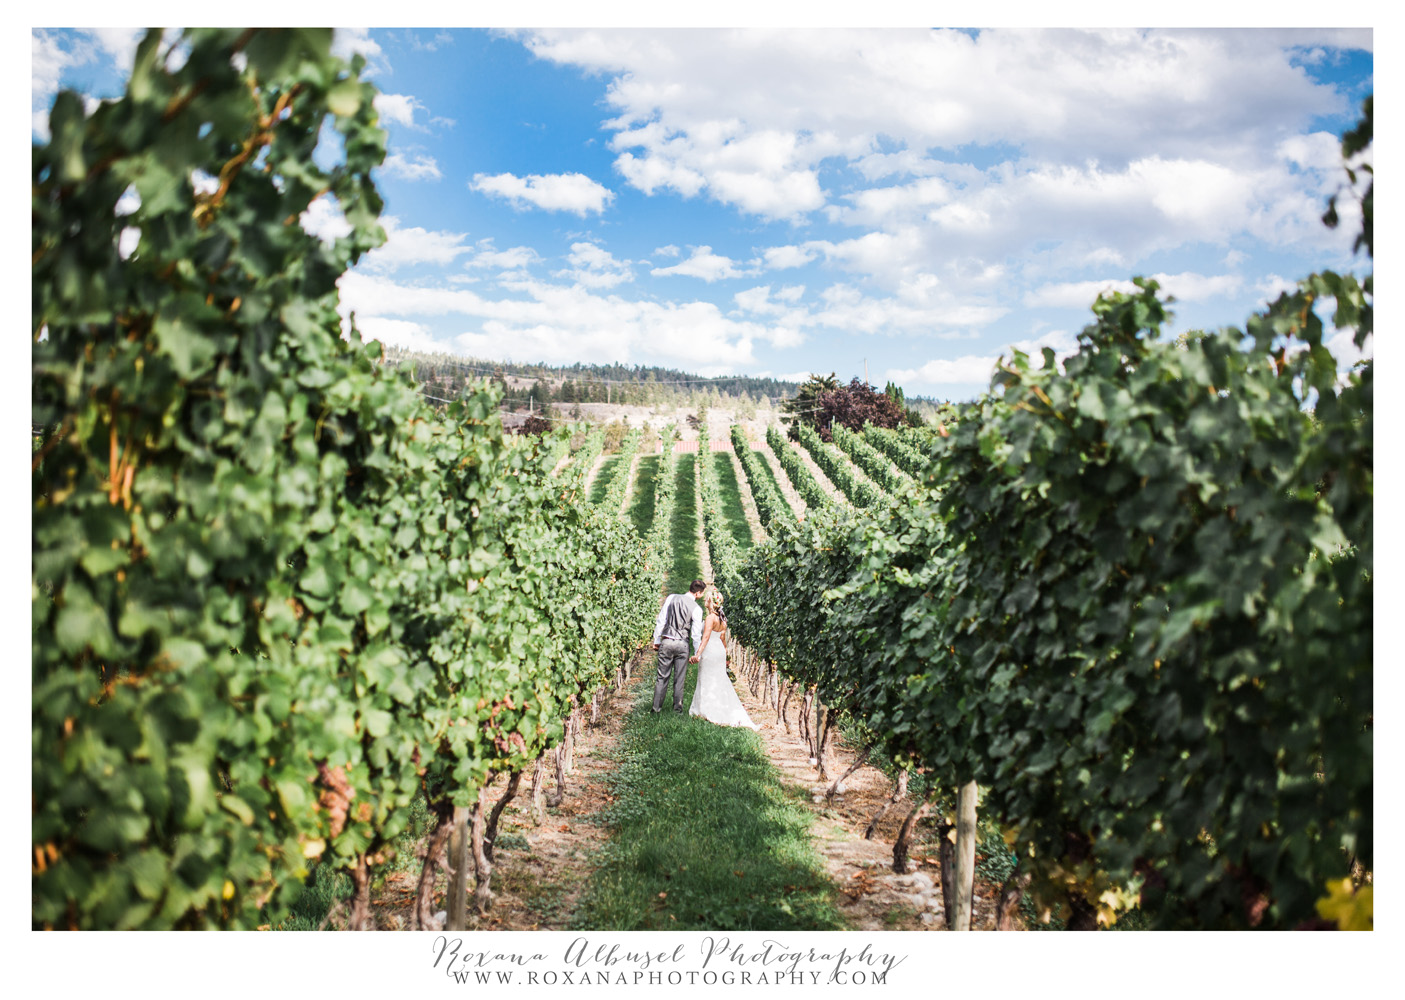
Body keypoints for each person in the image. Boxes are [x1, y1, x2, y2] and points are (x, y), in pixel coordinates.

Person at [688, 587, 759, 730]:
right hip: (719, 651)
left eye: (707, 600)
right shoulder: (722, 619)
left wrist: (698, 654)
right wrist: (726, 656)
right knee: (719, 679)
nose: (705, 601)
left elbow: (706, 637)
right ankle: (719, 707)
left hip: (710, 651)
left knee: (707, 678)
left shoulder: (710, 618)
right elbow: (723, 639)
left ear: (711, 602)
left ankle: (707, 710)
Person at [651, 579, 705, 713]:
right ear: (698, 593)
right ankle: (677, 709)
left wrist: (657, 640)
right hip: (682, 644)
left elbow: (661, 619)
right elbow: (695, 634)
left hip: (667, 640)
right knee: (679, 678)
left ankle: (656, 708)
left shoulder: (671, 598)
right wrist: (697, 652)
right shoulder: (696, 609)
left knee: (662, 676)